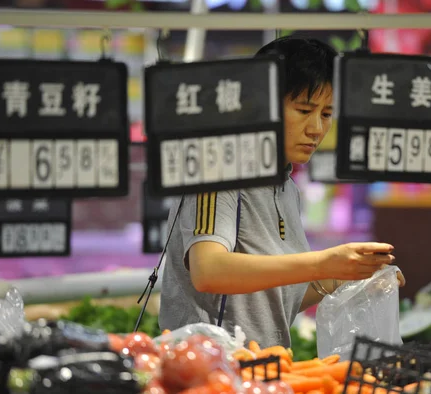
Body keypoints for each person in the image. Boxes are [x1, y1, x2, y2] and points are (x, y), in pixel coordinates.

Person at [159, 35, 405, 349]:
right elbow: (209, 271)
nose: (316, 128)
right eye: (304, 110)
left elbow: (275, 298)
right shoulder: (217, 169)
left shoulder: (287, 189)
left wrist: (349, 276)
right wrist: (322, 263)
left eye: (326, 114)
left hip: (267, 370)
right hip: (209, 370)